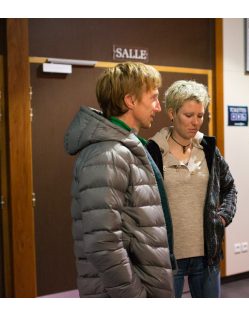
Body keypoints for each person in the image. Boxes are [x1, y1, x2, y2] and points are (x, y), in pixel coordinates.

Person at [64, 62, 174, 297]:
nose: (158, 107)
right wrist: (135, 297)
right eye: (153, 98)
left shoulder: (126, 147)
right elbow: (103, 243)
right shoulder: (109, 154)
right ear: (130, 101)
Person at [147, 80, 237, 298]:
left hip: (207, 254)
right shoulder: (153, 151)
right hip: (168, 256)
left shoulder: (208, 149)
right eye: (189, 115)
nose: (195, 122)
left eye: (200, 115)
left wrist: (222, 217)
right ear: (171, 113)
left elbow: (229, 187)